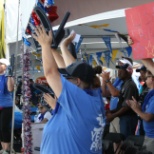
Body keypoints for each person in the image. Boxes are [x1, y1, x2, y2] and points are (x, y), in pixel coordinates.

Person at [32, 26, 105, 154]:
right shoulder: (93, 96)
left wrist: (45, 45)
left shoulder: (79, 100)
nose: (63, 80)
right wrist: (59, 48)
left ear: (77, 82)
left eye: (66, 79)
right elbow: (71, 68)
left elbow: (50, 73)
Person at [106, 58, 139, 138]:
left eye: (121, 69)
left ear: (128, 70)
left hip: (128, 119)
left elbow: (126, 107)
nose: (119, 71)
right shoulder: (125, 84)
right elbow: (121, 103)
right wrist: (110, 111)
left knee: (126, 143)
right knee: (121, 142)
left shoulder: (130, 85)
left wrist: (113, 115)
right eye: (118, 69)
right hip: (124, 118)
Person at [127, 70, 154, 153]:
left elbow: (148, 117)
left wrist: (136, 109)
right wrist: (138, 107)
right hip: (149, 135)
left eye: (146, 78)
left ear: (152, 79)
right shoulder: (150, 94)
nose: (144, 80)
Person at [0, 58, 14, 154]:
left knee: (4, 127)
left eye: (1, 64)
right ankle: (3, 148)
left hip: (6, 106)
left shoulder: (8, 76)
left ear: (5, 66)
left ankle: (7, 148)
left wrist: (9, 76)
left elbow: (10, 89)